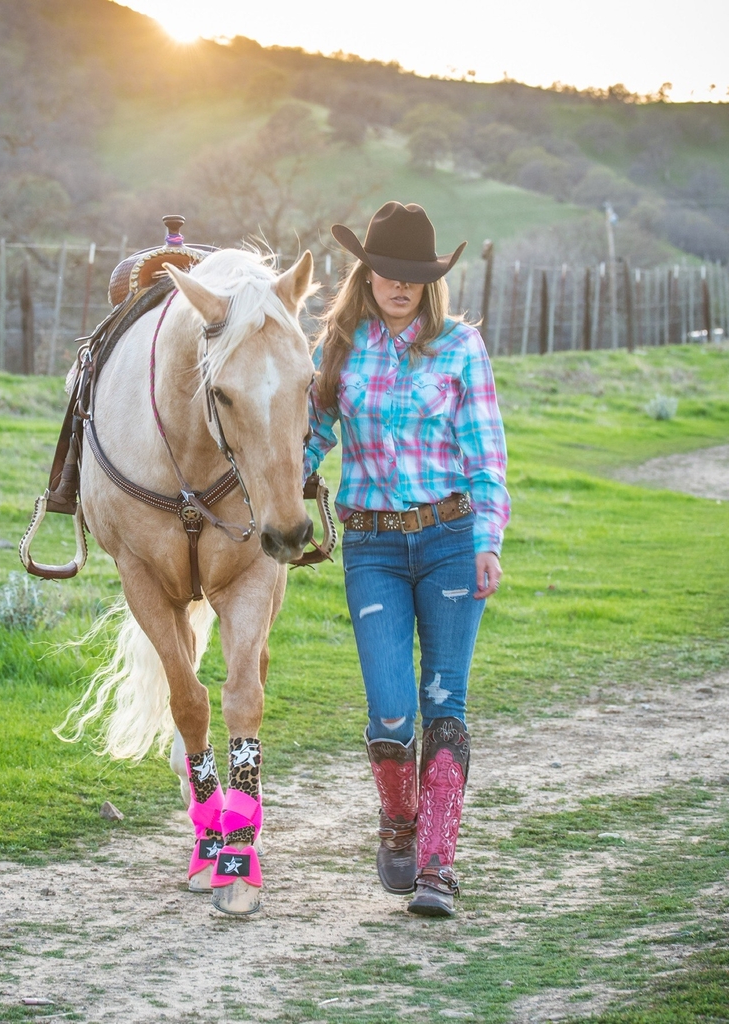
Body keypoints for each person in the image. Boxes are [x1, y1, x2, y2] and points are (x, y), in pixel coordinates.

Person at [304, 201, 510, 917]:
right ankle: (397, 821)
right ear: (368, 271)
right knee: (391, 711)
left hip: (451, 538)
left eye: (415, 276)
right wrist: (282, 491)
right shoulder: (337, 346)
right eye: (389, 271)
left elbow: (486, 456)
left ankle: (438, 864)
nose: (401, 285)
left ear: (431, 280)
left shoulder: (459, 347)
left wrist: (488, 541)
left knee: (444, 704)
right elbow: (308, 435)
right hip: (373, 546)